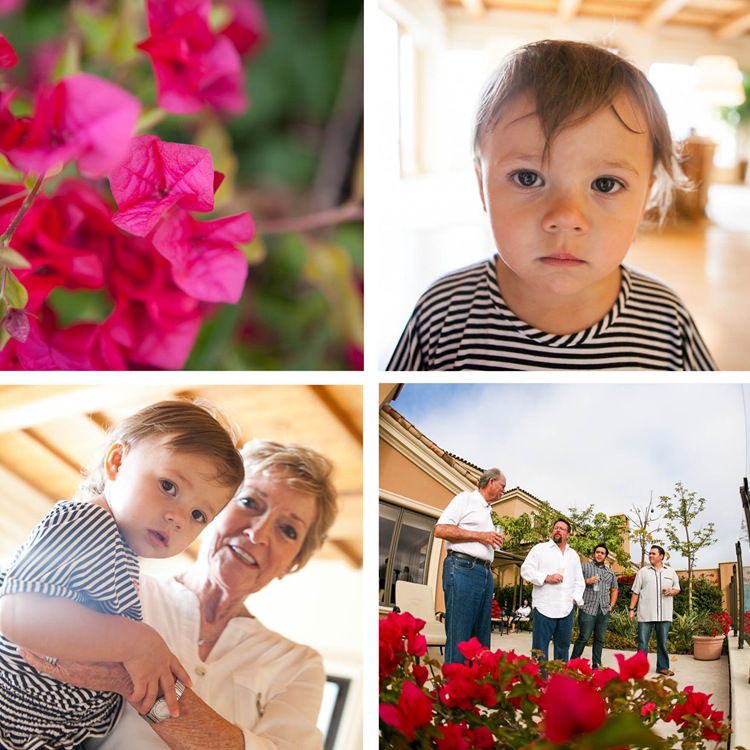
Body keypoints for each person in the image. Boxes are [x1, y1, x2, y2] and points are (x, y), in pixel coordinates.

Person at [387, 39, 716, 371]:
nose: (566, 218)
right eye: (528, 178)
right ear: (482, 187)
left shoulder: (667, 322)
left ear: (645, 198)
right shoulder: (443, 314)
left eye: (605, 184)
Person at [23, 438, 339, 750]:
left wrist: (130, 677)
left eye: (288, 530)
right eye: (249, 502)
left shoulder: (297, 664)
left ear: (293, 562)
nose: (257, 534)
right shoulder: (120, 590)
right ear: (213, 507)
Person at [0, 400, 245, 750]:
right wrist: (137, 641)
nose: (179, 518)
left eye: (197, 515)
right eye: (169, 486)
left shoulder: (120, 552)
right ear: (116, 462)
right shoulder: (83, 523)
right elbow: (15, 615)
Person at [434, 468, 506, 664]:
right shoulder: (465, 499)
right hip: (462, 569)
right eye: (503, 486)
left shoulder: (487, 512)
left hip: (484, 574)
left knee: (481, 640)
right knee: (460, 635)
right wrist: (482, 536)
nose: (504, 491)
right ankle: (454, 690)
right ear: (491, 482)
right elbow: (441, 530)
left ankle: (475, 690)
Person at [520, 518, 585, 662]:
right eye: (556, 527)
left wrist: (574, 598)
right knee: (539, 650)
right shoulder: (540, 549)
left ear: (568, 534)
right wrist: (546, 577)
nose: (558, 530)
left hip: (566, 609)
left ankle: (559, 682)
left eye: (562, 529)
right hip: (544, 608)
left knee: (563, 648)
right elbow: (525, 570)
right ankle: (540, 682)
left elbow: (579, 581)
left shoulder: (573, 555)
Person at [628, 544, 680, 676]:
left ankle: (662, 667)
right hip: (646, 614)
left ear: (661, 556)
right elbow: (635, 592)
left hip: (664, 614)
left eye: (653, 554)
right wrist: (631, 609)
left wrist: (671, 591)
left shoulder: (671, 572)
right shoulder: (642, 572)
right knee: (643, 643)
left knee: (662, 642)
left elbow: (677, 589)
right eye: (649, 553)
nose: (650, 555)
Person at [570, 544, 619, 667]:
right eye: (597, 552)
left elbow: (614, 590)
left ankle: (596, 665)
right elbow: (573, 582)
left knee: (600, 639)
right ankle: (572, 665)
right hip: (588, 608)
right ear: (594, 554)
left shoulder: (610, 573)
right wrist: (587, 581)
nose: (599, 554)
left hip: (603, 610)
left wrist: (611, 606)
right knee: (583, 637)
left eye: (602, 553)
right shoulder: (584, 567)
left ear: (606, 556)